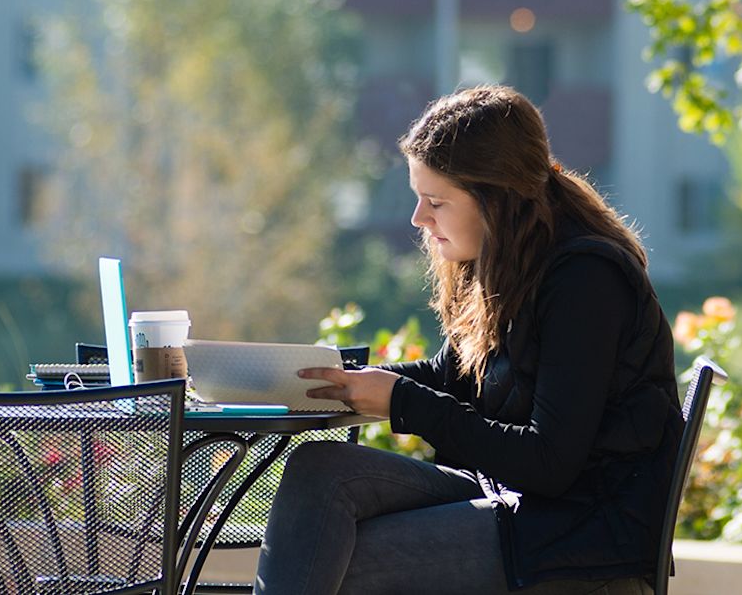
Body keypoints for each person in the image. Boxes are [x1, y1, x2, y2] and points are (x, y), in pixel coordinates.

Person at [254, 85, 680, 595]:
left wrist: (402, 402)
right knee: (320, 470)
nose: (419, 218)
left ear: (497, 199)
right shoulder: (507, 260)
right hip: (517, 506)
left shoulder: (584, 280)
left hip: (582, 541)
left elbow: (549, 463)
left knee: (329, 556)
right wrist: (332, 379)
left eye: (436, 202)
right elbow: (451, 375)